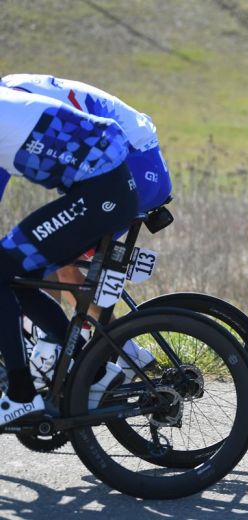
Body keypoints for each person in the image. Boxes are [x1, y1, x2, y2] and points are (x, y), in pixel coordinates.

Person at [0, 74, 172, 381]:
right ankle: (111, 350)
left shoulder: (10, 97)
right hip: (137, 161)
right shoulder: (16, 89)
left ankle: (87, 351)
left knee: (57, 264)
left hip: (131, 165)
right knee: (41, 256)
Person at [0, 85, 139, 425]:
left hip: (102, 193)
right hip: (103, 188)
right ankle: (94, 373)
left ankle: (21, 393)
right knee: (17, 277)